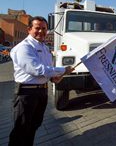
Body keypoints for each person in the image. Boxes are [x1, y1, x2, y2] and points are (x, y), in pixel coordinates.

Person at [9, 16, 74, 146]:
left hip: (42, 92)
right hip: (26, 94)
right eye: (37, 28)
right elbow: (37, 70)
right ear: (29, 29)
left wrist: (53, 78)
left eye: (44, 28)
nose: (41, 31)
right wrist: (63, 70)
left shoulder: (45, 48)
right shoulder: (24, 47)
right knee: (21, 130)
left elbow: (47, 71)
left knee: (34, 126)